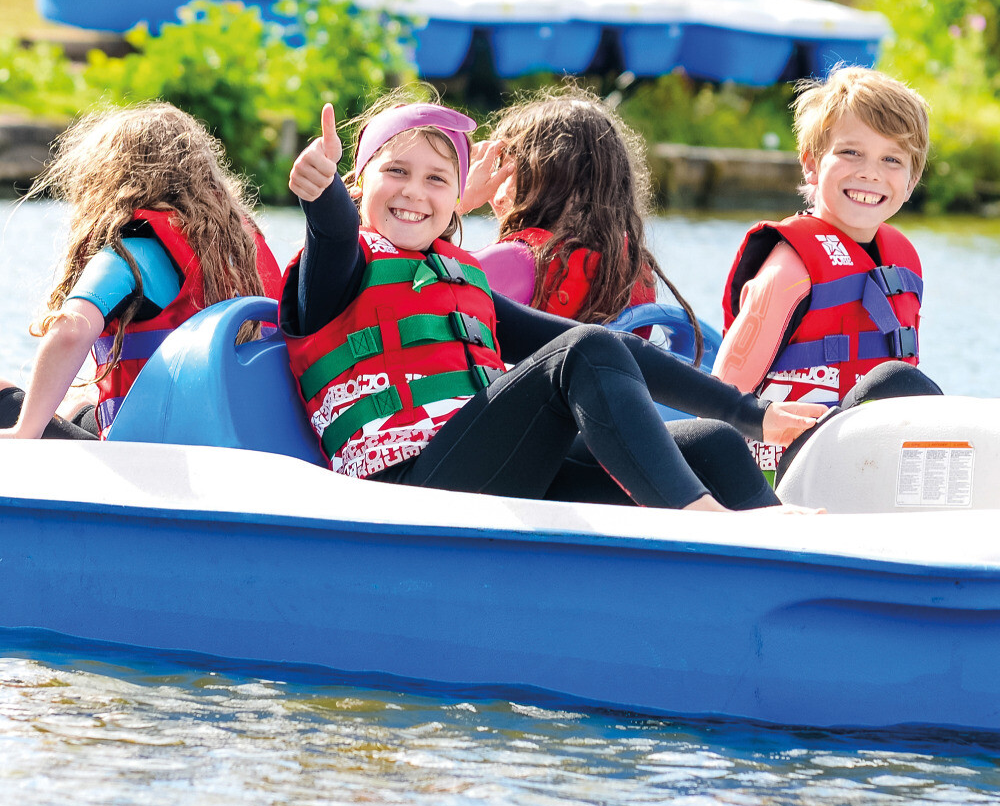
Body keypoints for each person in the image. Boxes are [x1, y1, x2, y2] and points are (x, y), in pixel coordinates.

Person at [280, 94, 826, 512]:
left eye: (435, 179)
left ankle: (776, 561)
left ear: (455, 200)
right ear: (358, 182)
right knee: (582, 348)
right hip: (406, 488)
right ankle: (700, 521)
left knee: (713, 443)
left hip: (483, 470)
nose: (413, 191)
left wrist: (750, 413)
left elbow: (619, 352)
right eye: (394, 171)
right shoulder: (337, 271)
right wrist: (321, 191)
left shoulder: (463, 279)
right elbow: (333, 233)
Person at [0, 101, 282, 440]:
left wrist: (25, 430)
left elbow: (71, 331)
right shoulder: (247, 248)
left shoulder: (135, 250)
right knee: (79, 398)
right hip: (238, 447)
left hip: (151, 461)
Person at [714, 66, 939, 480]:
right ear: (811, 164)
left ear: (911, 182)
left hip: (866, 467)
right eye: (851, 152)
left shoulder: (902, 259)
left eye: (891, 159)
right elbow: (722, 394)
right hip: (781, 475)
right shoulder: (791, 269)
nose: (870, 172)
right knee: (898, 379)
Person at [460, 87, 703, 361]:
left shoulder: (519, 260)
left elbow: (419, 287)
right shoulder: (634, 269)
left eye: (503, 171)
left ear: (539, 178)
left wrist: (458, 204)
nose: (495, 191)